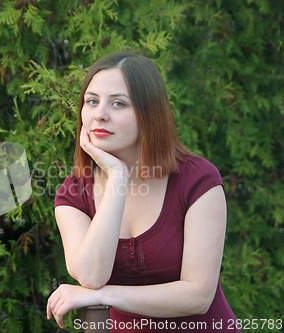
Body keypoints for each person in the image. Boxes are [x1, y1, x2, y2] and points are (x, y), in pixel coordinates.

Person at [46, 52, 240, 332]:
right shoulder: (74, 194)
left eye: (118, 103)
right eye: (92, 101)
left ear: (148, 113)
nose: (100, 114)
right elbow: (91, 274)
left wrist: (103, 295)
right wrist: (117, 178)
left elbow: (197, 296)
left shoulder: (197, 180)